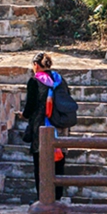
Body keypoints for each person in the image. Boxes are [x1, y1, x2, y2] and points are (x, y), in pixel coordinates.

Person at [20, 53, 68, 202]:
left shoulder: (34, 81)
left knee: (40, 162)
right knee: (58, 161)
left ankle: (42, 196)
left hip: (40, 127)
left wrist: (24, 115)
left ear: (36, 65)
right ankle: (58, 196)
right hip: (59, 126)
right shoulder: (60, 81)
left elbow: (30, 106)